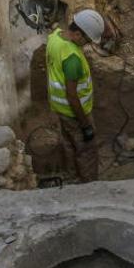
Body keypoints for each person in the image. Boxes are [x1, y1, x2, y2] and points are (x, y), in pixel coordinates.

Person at [45, 9, 105, 182]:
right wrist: (85, 125)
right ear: (78, 34)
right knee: (86, 150)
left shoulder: (55, 36)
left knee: (69, 145)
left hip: (61, 110)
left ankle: (73, 180)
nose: (87, 44)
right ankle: (89, 187)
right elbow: (72, 95)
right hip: (75, 113)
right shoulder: (72, 59)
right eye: (86, 40)